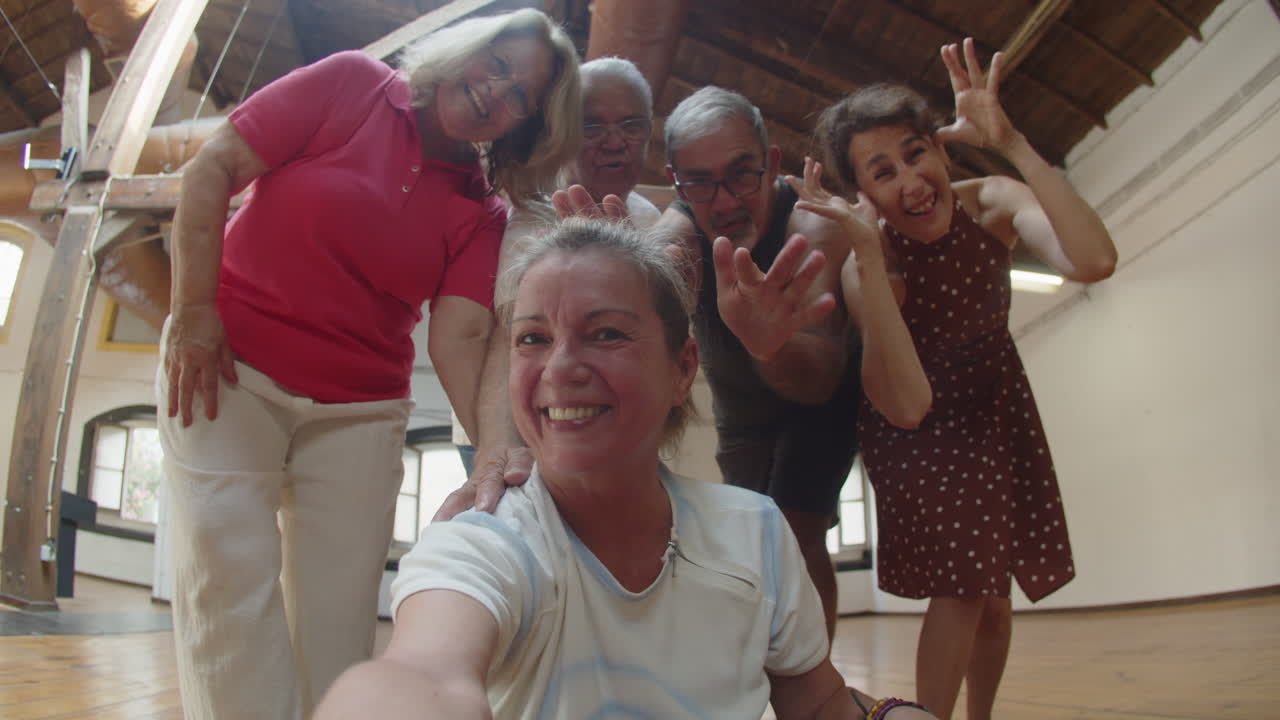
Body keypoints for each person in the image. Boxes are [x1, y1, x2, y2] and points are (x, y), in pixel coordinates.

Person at [314, 217, 934, 720]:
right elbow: (423, 674)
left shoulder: (753, 529)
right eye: (532, 338)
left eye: (605, 332)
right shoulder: (483, 540)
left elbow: (816, 700)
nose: (559, 368)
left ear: (683, 367)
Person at [156, 9, 581, 719]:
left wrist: (490, 457)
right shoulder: (352, 85)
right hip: (227, 370)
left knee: (340, 618)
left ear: (520, 129)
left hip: (359, 410)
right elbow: (213, 169)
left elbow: (465, 339)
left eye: (518, 97)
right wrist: (194, 312)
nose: (494, 92)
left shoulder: (482, 213)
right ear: (467, 49)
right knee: (229, 582)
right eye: (497, 65)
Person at [796, 39, 1117, 720]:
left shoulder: (993, 203)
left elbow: (1094, 260)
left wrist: (1016, 147)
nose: (910, 181)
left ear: (941, 151)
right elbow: (905, 404)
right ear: (864, 195)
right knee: (968, 590)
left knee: (994, 606)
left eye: (916, 153)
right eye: (883, 173)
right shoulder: (869, 262)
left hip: (994, 405)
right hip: (916, 425)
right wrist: (868, 258)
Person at [656, 85, 870, 638]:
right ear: (676, 181)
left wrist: (769, 343)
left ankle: (817, 684)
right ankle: (766, 670)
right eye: (699, 181)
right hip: (742, 412)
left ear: (772, 164)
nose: (724, 201)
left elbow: (821, 380)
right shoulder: (677, 235)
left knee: (798, 532)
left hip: (821, 401)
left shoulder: (812, 227)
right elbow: (647, 269)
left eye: (741, 174)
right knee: (751, 540)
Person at [449, 56, 660, 488]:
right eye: (593, 126)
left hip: (596, 430)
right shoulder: (530, 212)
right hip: (510, 428)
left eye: (631, 125)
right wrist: (498, 450)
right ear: (564, 132)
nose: (615, 142)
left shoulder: (650, 218)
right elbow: (510, 336)